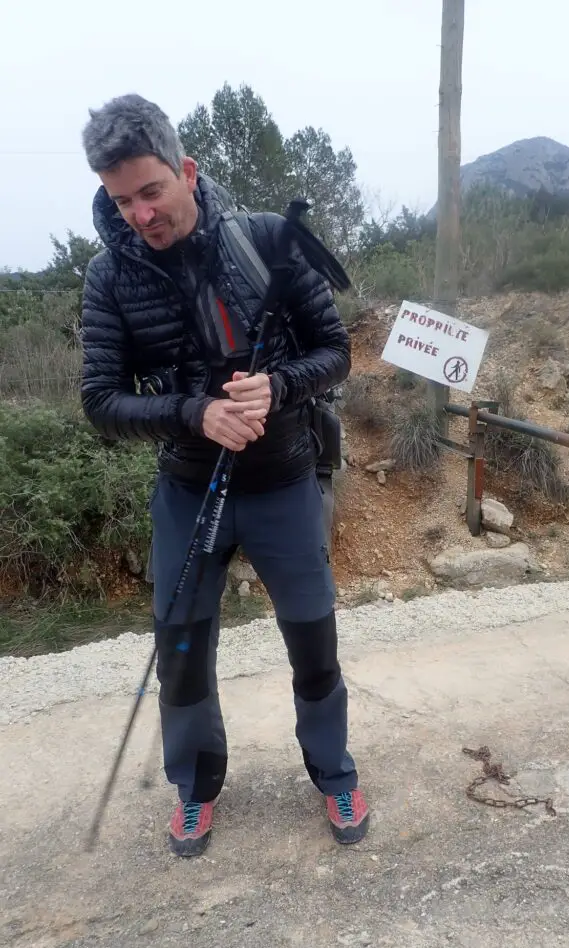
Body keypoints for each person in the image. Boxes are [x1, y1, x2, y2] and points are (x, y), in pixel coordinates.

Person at [79, 94, 369, 857]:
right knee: (179, 656)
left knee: (314, 645)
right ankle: (196, 789)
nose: (140, 213)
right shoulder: (108, 276)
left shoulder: (270, 240)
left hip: (283, 483)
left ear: (187, 170)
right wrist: (193, 412)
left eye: (151, 191)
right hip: (186, 489)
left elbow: (336, 350)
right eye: (121, 200)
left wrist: (279, 388)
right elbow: (100, 401)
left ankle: (334, 771)